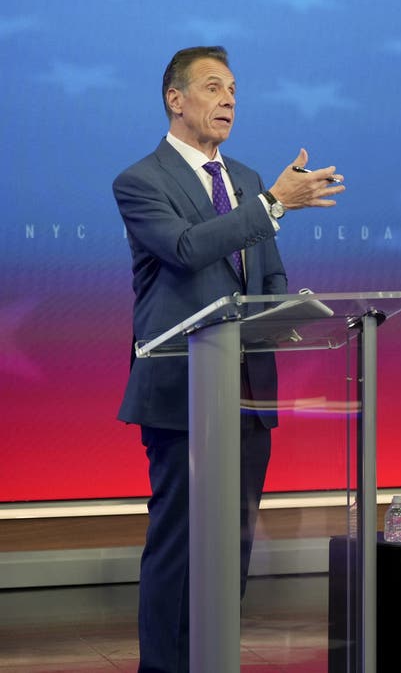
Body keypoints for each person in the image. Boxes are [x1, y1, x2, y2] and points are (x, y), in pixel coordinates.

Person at [113, 45, 344, 673]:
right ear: (175, 99)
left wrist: (286, 313)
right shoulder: (141, 180)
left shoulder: (243, 178)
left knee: (233, 544)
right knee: (179, 543)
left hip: (248, 393)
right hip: (182, 392)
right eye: (214, 87)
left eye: (235, 89)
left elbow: (266, 275)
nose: (229, 100)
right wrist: (271, 206)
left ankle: (212, 658)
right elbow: (186, 249)